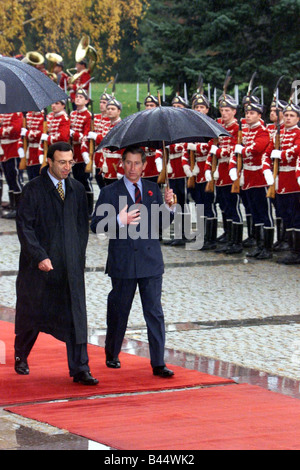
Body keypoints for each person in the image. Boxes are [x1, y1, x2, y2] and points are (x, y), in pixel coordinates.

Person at [14, 141, 98, 385]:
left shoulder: (77, 189)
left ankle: (81, 368)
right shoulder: (33, 190)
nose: (67, 167)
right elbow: (25, 227)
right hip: (40, 265)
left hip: (69, 265)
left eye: (70, 162)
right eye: (62, 162)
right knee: (34, 314)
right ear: (48, 161)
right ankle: (21, 353)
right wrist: (39, 256)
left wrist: (77, 256)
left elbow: (82, 226)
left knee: (76, 316)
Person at [91, 146, 175, 378]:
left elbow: (162, 224)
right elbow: (96, 225)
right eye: (128, 163)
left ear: (144, 166)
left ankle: (158, 362)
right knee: (119, 310)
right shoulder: (110, 192)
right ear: (122, 164)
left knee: (154, 312)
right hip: (123, 261)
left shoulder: (151, 189)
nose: (132, 168)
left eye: (137, 163)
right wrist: (119, 219)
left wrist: (169, 206)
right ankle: (112, 352)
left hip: (150, 261)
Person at [229, 101, 274, 259]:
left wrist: (243, 149)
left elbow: (258, 148)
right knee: (254, 212)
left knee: (264, 213)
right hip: (247, 177)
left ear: (259, 115)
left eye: (252, 113)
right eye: (247, 113)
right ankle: (259, 244)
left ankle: (267, 248)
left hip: (259, 177)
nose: (248, 116)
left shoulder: (263, 131)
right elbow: (237, 152)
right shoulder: (245, 131)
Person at [262, 102, 300, 264]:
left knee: (296, 216)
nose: (289, 118)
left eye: (292, 116)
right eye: (286, 115)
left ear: (298, 118)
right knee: (285, 216)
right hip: (279, 182)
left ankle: (296, 251)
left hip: (294, 180)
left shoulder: (298, 133)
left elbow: (297, 150)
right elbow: (267, 153)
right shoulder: (279, 134)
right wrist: (267, 171)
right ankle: (290, 247)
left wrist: (282, 154)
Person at [205, 95, 243, 254]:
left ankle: (237, 242)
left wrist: (218, 151)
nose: (224, 113)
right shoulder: (218, 125)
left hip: (231, 171)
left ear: (234, 111)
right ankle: (228, 236)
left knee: (233, 207)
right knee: (224, 206)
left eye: (227, 110)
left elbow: (235, 149)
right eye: (222, 110)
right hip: (219, 173)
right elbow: (211, 145)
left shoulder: (236, 127)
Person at [70, 88, 93, 216]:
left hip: (82, 152)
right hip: (73, 151)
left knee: (85, 180)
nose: (77, 98)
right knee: (76, 180)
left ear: (86, 100)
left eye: (81, 97)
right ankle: (79, 206)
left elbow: (85, 136)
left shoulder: (88, 115)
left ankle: (89, 208)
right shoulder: (72, 114)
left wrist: (74, 134)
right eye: (76, 96)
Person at [0, 112, 23, 218]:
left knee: (15, 178)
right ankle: (13, 205)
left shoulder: (16, 113)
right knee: (8, 179)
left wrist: (2, 130)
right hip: (3, 149)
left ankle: (19, 208)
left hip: (13, 148)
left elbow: (15, 129)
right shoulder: (2, 114)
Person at [20, 111, 44, 180]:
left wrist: (27, 133)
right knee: (30, 177)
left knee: (38, 177)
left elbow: (40, 134)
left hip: (38, 149)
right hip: (29, 151)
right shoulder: (28, 115)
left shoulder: (43, 117)